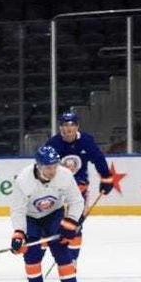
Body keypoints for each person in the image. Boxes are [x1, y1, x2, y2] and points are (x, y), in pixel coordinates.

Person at [9, 146, 85, 282]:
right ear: (38, 166)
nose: (52, 171)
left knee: (62, 250)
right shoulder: (23, 180)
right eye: (48, 167)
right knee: (32, 255)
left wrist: (70, 221)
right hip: (31, 218)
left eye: (54, 166)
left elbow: (76, 201)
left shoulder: (64, 175)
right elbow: (18, 210)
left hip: (54, 214)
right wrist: (18, 233)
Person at [44, 112, 113, 263]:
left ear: (77, 127)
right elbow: (42, 166)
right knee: (53, 224)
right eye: (64, 125)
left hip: (79, 189)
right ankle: (56, 254)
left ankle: (72, 260)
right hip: (57, 191)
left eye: (71, 125)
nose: (68, 129)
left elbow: (98, 159)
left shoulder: (86, 141)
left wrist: (106, 177)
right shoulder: (52, 144)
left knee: (75, 225)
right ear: (60, 127)